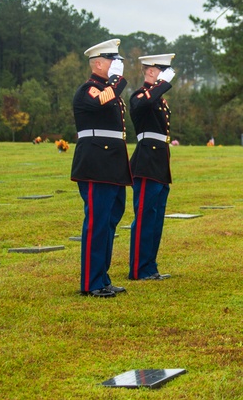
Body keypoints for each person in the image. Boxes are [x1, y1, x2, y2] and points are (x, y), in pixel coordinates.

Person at [71, 38, 130, 298]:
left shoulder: (107, 90)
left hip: (112, 162)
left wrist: (114, 82)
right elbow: (99, 103)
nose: (116, 66)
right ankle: (91, 282)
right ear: (97, 63)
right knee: (97, 222)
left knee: (109, 221)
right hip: (96, 163)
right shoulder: (89, 90)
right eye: (111, 61)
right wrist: (117, 81)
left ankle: (102, 277)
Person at [128, 53, 177, 281]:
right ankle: (139, 268)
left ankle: (150, 266)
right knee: (145, 216)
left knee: (156, 218)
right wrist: (163, 84)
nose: (165, 75)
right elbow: (143, 102)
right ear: (149, 71)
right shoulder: (140, 96)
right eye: (161, 70)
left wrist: (161, 86)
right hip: (146, 161)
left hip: (159, 163)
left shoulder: (158, 99)